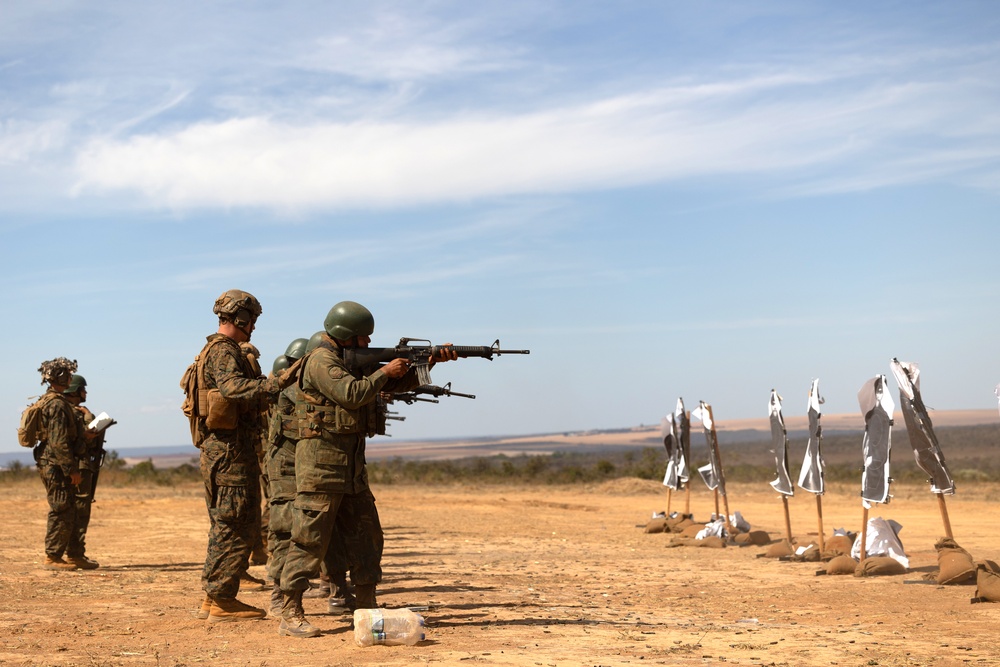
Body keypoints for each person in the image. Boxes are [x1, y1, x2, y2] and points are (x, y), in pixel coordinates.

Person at [276, 301, 456, 638]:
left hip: (351, 468)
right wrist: (384, 371)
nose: (367, 345)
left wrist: (426, 364)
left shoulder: (348, 361)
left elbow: (388, 388)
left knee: (367, 538)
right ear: (347, 335)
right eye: (363, 339)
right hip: (321, 467)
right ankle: (290, 611)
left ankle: (367, 604)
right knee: (309, 540)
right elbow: (351, 393)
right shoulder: (321, 361)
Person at [193, 289, 296, 623]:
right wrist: (277, 384)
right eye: (250, 319)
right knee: (238, 525)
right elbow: (233, 389)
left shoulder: (212, 350)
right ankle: (222, 599)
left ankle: (216, 596)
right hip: (231, 454)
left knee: (227, 524)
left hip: (223, 452)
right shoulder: (224, 351)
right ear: (240, 317)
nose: (252, 326)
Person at [32, 358, 89, 571]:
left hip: (53, 462)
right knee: (60, 507)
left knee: (66, 507)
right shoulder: (56, 404)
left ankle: (65, 555)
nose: (70, 378)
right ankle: (52, 557)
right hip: (55, 464)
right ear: (60, 378)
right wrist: (71, 469)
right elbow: (59, 440)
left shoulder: (52, 400)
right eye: (67, 374)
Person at [63, 374, 108, 570]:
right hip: (79, 466)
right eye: (83, 389)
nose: (85, 392)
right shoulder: (75, 413)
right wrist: (90, 418)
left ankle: (70, 552)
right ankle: (75, 554)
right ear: (75, 391)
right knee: (81, 509)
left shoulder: (65, 411)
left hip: (76, 465)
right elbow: (85, 437)